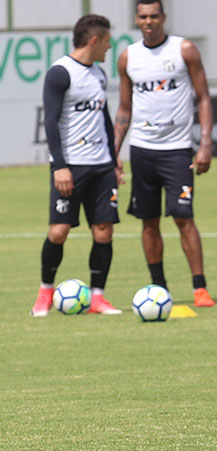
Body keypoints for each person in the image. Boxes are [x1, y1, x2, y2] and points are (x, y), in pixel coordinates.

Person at [114, 0, 215, 307]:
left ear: (164, 17)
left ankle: (200, 288)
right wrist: (113, 153)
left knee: (184, 217)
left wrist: (206, 143)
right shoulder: (128, 57)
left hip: (177, 150)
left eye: (154, 16)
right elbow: (124, 108)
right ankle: (159, 288)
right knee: (149, 221)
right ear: (137, 19)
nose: (149, 21)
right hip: (143, 150)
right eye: (143, 16)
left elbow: (204, 98)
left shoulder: (184, 50)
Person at [30, 14, 124, 317]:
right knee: (58, 232)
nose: (109, 47)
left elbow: (104, 120)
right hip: (71, 166)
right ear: (94, 40)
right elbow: (52, 122)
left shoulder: (99, 74)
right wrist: (60, 166)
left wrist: (114, 159)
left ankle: (98, 297)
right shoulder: (60, 73)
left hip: (101, 167)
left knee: (104, 231)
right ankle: (45, 293)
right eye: (107, 40)